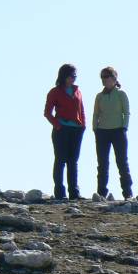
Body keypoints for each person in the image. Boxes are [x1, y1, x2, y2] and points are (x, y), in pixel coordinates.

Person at [45, 64, 86, 200]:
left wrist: (83, 126)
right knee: (60, 160)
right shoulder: (55, 92)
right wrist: (58, 125)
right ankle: (60, 193)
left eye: (75, 76)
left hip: (76, 130)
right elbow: (47, 112)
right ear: (64, 76)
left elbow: (81, 110)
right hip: (61, 130)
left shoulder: (77, 91)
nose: (74, 79)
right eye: (71, 76)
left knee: (73, 161)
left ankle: (74, 193)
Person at [92, 66, 133, 199]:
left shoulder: (121, 94)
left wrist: (124, 128)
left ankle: (128, 193)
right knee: (102, 164)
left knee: (122, 162)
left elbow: (126, 112)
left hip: (118, 132)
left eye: (106, 77)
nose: (104, 80)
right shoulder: (99, 96)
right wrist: (95, 129)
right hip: (102, 132)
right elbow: (96, 114)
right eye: (102, 77)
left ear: (114, 78)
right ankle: (101, 193)